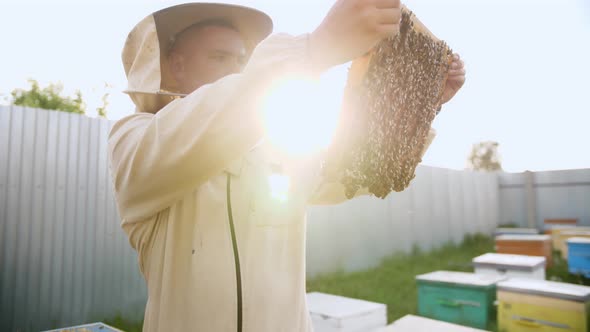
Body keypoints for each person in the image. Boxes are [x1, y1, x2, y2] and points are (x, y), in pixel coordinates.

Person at [108, 1, 466, 331]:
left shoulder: (274, 148)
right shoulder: (135, 140)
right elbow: (203, 127)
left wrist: (419, 107)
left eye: (241, 61)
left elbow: (353, 173)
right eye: (220, 58)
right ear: (175, 65)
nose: (237, 70)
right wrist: (313, 50)